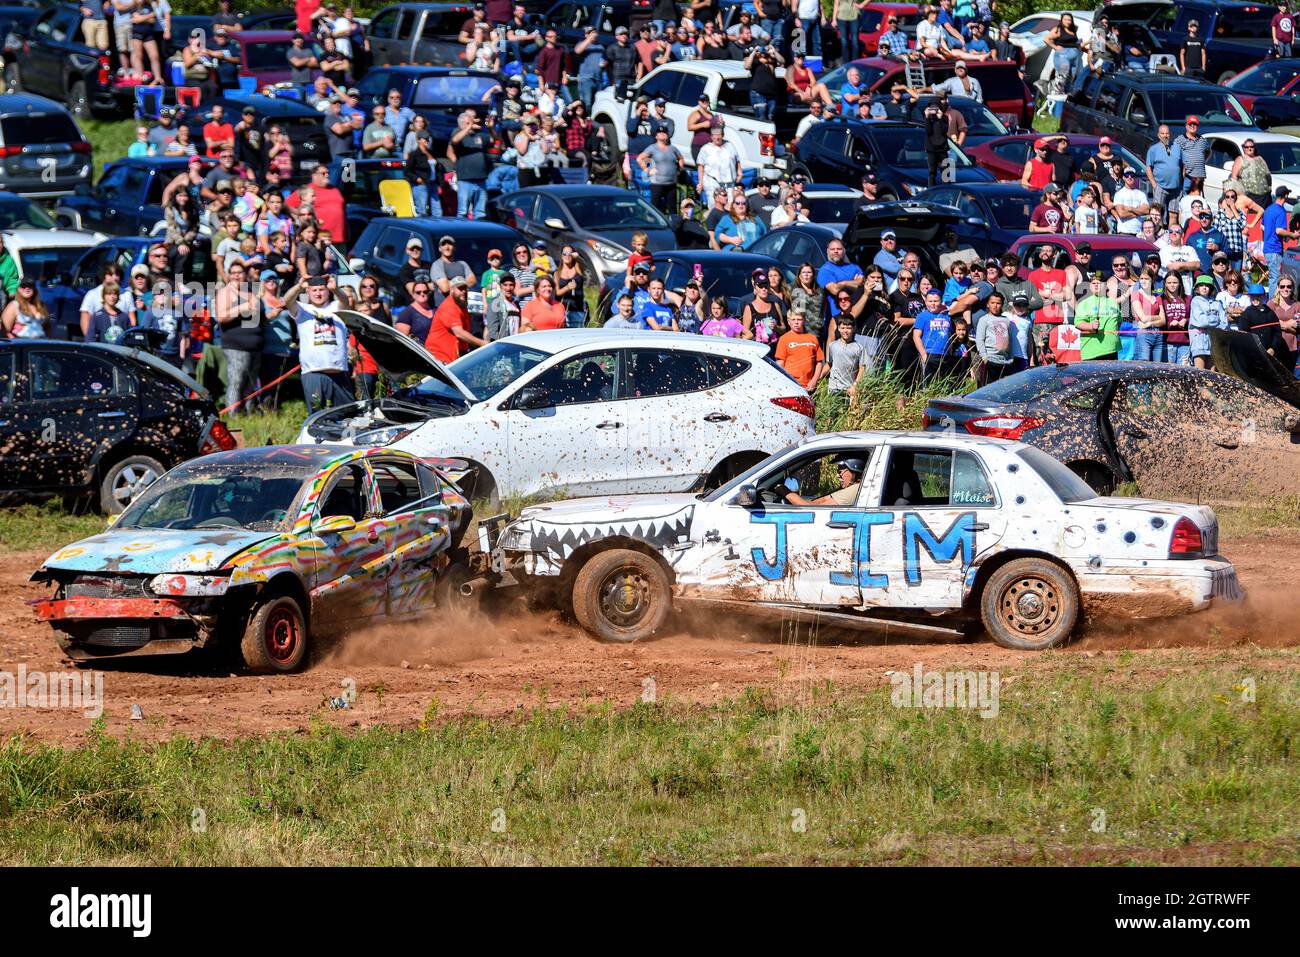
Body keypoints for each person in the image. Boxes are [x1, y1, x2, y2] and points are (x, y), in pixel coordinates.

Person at [426, 275, 485, 359]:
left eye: (465, 288)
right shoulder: (449, 306)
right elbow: (459, 333)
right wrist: (482, 343)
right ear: (451, 289)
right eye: (460, 289)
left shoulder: (462, 305)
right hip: (439, 356)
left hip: (454, 355)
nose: (463, 291)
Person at [1073, 272, 1121, 361]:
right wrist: (1091, 326)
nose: (1096, 285)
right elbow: (1078, 323)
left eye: (1099, 283)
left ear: (1105, 285)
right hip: (1092, 351)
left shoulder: (1113, 302)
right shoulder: (1084, 303)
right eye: (1093, 283)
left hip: (1112, 349)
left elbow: (1119, 321)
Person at [781, 457, 865, 507]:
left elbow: (809, 510)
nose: (837, 476)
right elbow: (818, 502)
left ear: (854, 472)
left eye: (840, 472)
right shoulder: (854, 488)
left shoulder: (854, 491)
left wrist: (784, 491)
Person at [637, 127, 684, 215]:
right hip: (657, 183)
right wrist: (647, 170)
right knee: (655, 207)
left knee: (672, 209)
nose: (662, 134)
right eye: (659, 132)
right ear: (656, 136)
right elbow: (639, 159)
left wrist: (679, 170)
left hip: (671, 183)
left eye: (664, 132)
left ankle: (673, 225)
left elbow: (681, 159)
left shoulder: (673, 148)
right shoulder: (652, 148)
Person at [774, 310, 825, 389]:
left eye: (799, 319)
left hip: (809, 384)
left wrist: (814, 380)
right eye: (793, 319)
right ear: (788, 321)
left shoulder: (812, 338)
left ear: (804, 320)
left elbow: (819, 362)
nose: (796, 322)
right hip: (790, 383)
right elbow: (780, 363)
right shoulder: (784, 339)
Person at [1262, 186, 1297, 298]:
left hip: (1267, 248)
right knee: (1276, 278)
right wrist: (1292, 235)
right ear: (1285, 196)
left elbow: (1262, 227)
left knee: (1273, 277)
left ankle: (1273, 303)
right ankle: (1273, 305)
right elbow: (1279, 230)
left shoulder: (1268, 209)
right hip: (1275, 249)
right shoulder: (1280, 210)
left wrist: (1269, 237)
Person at [696, 122, 742, 206]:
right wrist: (701, 182)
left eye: (719, 135)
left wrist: (739, 172)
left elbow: (737, 159)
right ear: (711, 136)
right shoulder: (705, 149)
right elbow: (700, 166)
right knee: (715, 205)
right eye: (714, 135)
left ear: (723, 135)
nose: (717, 137)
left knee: (730, 205)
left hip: (729, 182)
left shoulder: (730, 145)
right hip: (712, 182)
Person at [913, 287, 954, 380]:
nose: (933, 304)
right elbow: (916, 336)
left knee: (944, 382)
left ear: (941, 301)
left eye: (935, 301)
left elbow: (950, 334)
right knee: (928, 382)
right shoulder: (922, 316)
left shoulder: (946, 315)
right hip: (929, 354)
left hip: (944, 355)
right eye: (930, 301)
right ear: (926, 301)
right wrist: (924, 354)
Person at [1190, 273, 1229, 369]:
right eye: (1201, 285)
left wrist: (1214, 325)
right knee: (1200, 372)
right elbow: (1201, 321)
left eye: (1207, 285)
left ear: (1211, 288)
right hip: (1199, 342)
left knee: (1212, 373)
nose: (1204, 288)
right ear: (1197, 288)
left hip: (1214, 342)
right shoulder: (1195, 301)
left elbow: (1224, 322)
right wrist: (1215, 320)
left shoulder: (1217, 303)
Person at [1232, 138, 1273, 212]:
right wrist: (1238, 195)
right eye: (1247, 147)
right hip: (1249, 196)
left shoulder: (1260, 159)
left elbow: (1268, 175)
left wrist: (1269, 188)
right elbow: (1234, 178)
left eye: (1251, 146)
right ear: (1243, 148)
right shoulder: (1240, 160)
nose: (1249, 148)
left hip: (1264, 197)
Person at [1162, 273, 1191, 365]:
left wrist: (1186, 320)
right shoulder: (1161, 299)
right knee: (1168, 372)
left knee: (1183, 371)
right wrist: (1169, 322)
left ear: (1180, 283)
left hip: (1185, 342)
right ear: (1165, 284)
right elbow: (1158, 319)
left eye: (1175, 282)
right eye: (1169, 282)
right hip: (1167, 342)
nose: (1172, 285)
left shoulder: (1188, 299)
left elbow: (1195, 318)